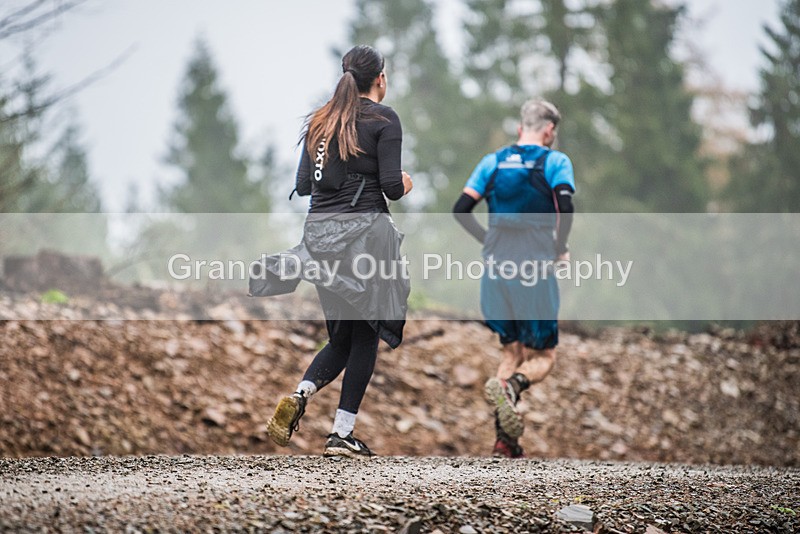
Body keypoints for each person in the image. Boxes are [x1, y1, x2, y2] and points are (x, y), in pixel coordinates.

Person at [257, 45, 413, 458]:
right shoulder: (384, 119)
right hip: (363, 242)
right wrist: (405, 182)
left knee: (343, 337)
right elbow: (392, 189)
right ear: (380, 78)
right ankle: (341, 434)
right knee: (367, 336)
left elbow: (307, 186)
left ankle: (300, 394)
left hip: (319, 242)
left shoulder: (321, 120)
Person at [452, 98, 575, 458]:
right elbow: (565, 206)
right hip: (534, 266)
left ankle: (505, 442)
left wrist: (488, 241)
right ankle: (515, 386)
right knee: (545, 355)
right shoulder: (555, 161)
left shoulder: (493, 161)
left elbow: (461, 209)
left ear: (521, 127)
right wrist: (560, 247)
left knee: (511, 351)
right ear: (549, 130)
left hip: (495, 268)